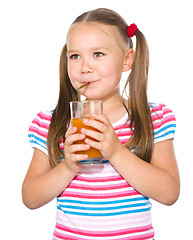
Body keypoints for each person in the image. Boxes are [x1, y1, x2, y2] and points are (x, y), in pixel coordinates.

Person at [22, 8, 180, 239]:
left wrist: (116, 151)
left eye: (98, 54)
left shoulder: (153, 117)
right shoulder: (51, 122)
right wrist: (67, 167)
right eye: (75, 56)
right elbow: (30, 197)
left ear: (127, 60)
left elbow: (169, 193)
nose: (85, 67)